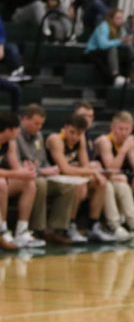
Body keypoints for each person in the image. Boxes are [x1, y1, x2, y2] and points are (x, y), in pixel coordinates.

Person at [45, 114, 118, 243]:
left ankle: (93, 226)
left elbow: (85, 165)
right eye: (72, 132)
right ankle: (70, 225)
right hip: (52, 177)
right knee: (79, 185)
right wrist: (92, 171)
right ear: (65, 127)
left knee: (101, 183)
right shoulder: (56, 139)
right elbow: (65, 169)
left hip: (69, 177)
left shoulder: (80, 140)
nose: (75, 137)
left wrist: (93, 172)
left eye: (79, 134)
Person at [16, 104, 81, 244]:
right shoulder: (15, 135)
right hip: (25, 178)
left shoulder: (39, 135)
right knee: (40, 183)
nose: (39, 127)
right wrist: (41, 171)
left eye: (41, 124)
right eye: (36, 123)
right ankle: (37, 229)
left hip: (42, 174)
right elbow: (14, 165)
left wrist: (53, 169)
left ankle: (56, 229)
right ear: (24, 119)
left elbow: (43, 161)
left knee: (67, 185)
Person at [94, 111, 134, 242]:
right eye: (120, 128)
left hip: (118, 178)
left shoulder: (127, 141)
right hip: (101, 180)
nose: (123, 132)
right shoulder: (105, 141)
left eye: (127, 129)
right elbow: (111, 169)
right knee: (118, 185)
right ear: (112, 127)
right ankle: (115, 226)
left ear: (131, 128)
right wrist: (123, 150)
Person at [0, 111, 46, 249]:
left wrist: (27, 171)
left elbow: (16, 167)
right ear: (9, 130)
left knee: (29, 183)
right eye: (17, 128)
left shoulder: (10, 142)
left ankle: (22, 231)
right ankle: (2, 230)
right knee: (1, 183)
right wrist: (17, 174)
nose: (19, 131)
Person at [86, 8, 134, 89]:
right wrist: (121, 41)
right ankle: (116, 76)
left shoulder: (121, 28)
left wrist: (128, 41)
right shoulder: (103, 26)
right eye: (118, 18)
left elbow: (123, 40)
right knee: (113, 48)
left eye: (122, 18)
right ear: (111, 19)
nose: (121, 20)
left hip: (108, 52)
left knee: (129, 47)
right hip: (94, 53)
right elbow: (102, 45)